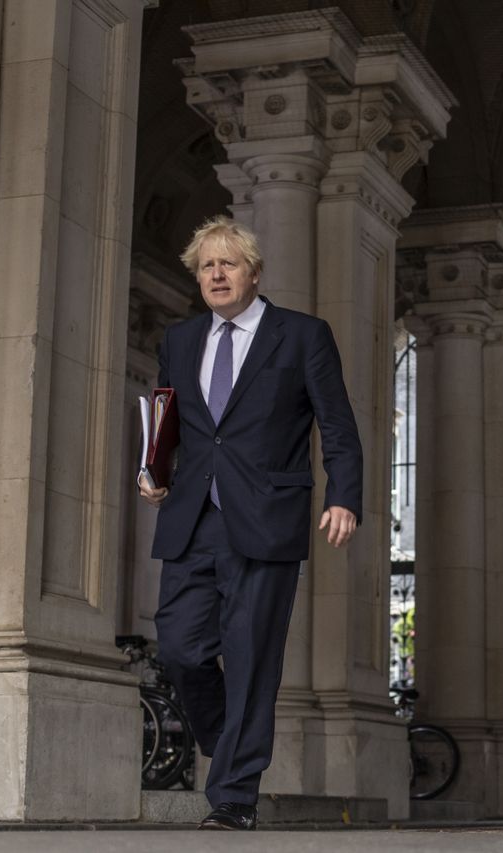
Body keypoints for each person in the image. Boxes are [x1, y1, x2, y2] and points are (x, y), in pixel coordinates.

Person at [138, 216, 362, 831]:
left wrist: (343, 495)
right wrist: (152, 470)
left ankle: (234, 795)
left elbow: (337, 424)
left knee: (251, 657)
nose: (216, 273)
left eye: (228, 263)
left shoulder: (301, 336)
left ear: (254, 273)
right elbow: (168, 421)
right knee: (180, 647)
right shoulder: (182, 340)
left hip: (267, 518)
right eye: (207, 265)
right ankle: (228, 747)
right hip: (193, 518)